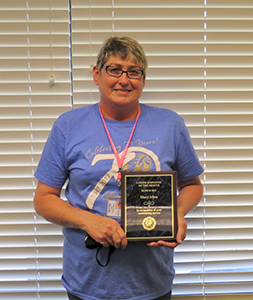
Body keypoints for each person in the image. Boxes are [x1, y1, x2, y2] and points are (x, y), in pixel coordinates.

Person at [34, 36, 204, 300]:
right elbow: (44, 199)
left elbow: (192, 186)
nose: (124, 80)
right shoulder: (68, 126)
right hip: (88, 282)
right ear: (96, 74)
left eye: (134, 72)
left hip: (151, 282)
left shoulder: (170, 125)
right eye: (114, 69)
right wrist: (88, 220)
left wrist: (177, 214)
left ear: (143, 80)